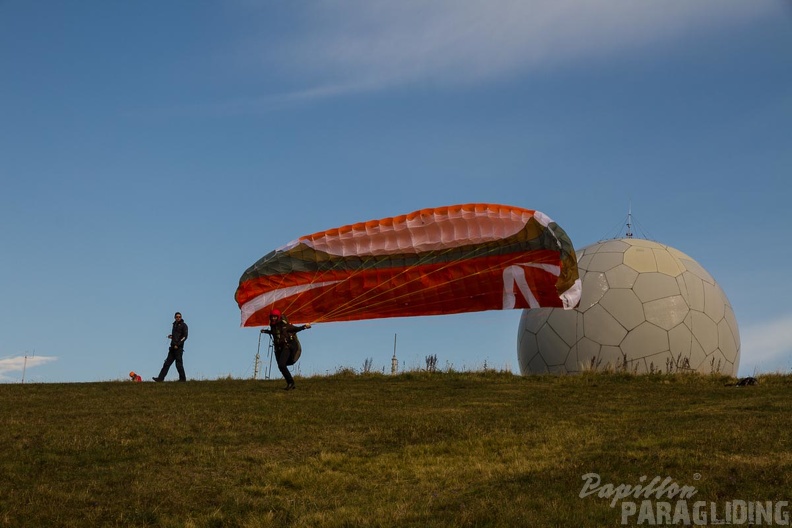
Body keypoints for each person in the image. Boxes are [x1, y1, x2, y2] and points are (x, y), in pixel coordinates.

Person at [261, 308, 311, 390]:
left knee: (282, 365)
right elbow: (274, 333)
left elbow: (295, 329)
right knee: (281, 366)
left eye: (275, 317)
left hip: (286, 347)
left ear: (278, 317)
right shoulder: (273, 326)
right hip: (278, 349)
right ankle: (290, 383)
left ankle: (291, 383)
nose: (273, 318)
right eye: (272, 317)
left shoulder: (285, 325)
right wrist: (266, 331)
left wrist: (305, 326)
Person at [153, 312, 189, 382]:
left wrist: (177, 344)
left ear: (181, 317)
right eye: (177, 317)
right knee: (166, 363)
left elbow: (185, 336)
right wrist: (172, 337)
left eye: (179, 317)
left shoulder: (184, 325)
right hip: (172, 348)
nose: (178, 318)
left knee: (179, 364)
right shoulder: (174, 325)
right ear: (174, 318)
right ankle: (160, 378)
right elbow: (177, 336)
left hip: (178, 348)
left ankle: (182, 379)